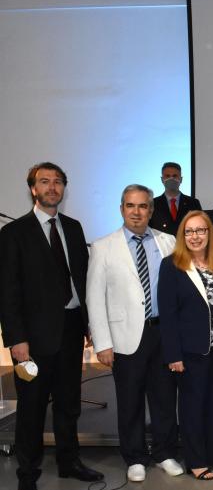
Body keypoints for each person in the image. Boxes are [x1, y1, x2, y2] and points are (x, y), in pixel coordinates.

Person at [0, 162, 104, 490]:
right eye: (44, 181)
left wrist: (89, 324)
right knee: (31, 408)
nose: (52, 187)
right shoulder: (14, 233)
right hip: (31, 339)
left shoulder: (73, 228)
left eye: (58, 181)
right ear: (33, 189)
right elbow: (8, 291)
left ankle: (68, 462)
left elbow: (82, 279)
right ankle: (27, 473)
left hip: (71, 329)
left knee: (69, 403)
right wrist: (16, 339)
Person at [87, 184, 182, 482]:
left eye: (143, 206)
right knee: (130, 401)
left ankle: (164, 453)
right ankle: (135, 457)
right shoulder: (103, 247)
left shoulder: (168, 242)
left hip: (163, 333)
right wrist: (102, 343)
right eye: (130, 205)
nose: (136, 212)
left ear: (151, 210)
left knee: (165, 399)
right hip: (125, 337)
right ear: (121, 209)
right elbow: (94, 298)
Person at [158, 211, 213, 481]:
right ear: (182, 236)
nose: (195, 236)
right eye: (189, 231)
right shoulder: (171, 265)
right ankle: (196, 461)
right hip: (190, 352)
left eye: (201, 230)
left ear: (209, 233)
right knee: (192, 408)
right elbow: (167, 314)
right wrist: (173, 354)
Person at [149, 162, 202, 235]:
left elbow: (200, 227)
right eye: (167, 176)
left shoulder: (193, 203)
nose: (171, 179)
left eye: (175, 176)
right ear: (162, 179)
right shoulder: (153, 204)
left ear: (181, 179)